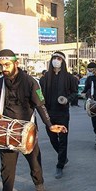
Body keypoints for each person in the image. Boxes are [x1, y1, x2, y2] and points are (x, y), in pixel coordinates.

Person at [0, 49, 67, 191]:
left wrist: (49, 124)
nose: (4, 68)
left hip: (26, 130)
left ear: (16, 63)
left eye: (7, 64)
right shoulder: (0, 82)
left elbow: (40, 105)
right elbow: (0, 106)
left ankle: (39, 185)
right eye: (1, 65)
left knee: (34, 161)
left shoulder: (31, 82)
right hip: (7, 130)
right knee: (6, 166)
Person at [40, 51, 78, 179]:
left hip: (62, 113)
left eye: (59, 58)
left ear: (63, 61)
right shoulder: (44, 79)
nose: (56, 60)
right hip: (49, 113)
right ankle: (63, 156)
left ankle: (60, 164)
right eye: (54, 58)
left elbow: (74, 93)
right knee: (52, 138)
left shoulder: (69, 78)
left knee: (63, 140)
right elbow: (40, 95)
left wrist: (67, 99)